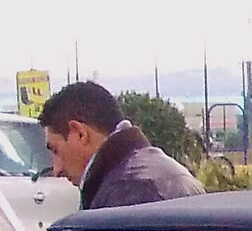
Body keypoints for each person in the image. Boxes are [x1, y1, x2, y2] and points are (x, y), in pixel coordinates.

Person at [39, 82, 203, 209]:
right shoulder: (165, 172)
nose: (56, 169)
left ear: (80, 133)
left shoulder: (128, 191)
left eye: (56, 150)